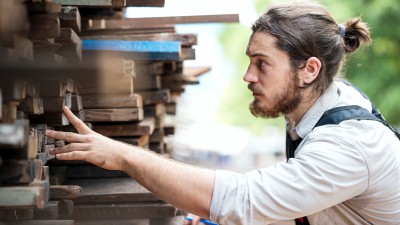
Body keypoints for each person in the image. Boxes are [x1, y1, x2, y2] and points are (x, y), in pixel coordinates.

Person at [45, 1, 400, 225]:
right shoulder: (320, 110)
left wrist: (122, 155)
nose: (248, 76)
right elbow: (304, 206)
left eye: (262, 64)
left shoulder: (348, 143)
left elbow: (242, 200)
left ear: (309, 70)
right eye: (249, 61)